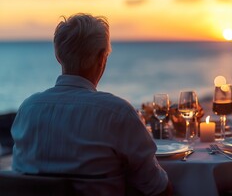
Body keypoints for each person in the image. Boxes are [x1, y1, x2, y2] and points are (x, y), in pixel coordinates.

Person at [11, 13, 172, 196]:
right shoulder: (117, 113)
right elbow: (157, 188)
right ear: (102, 57)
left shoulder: (28, 109)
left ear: (58, 56)